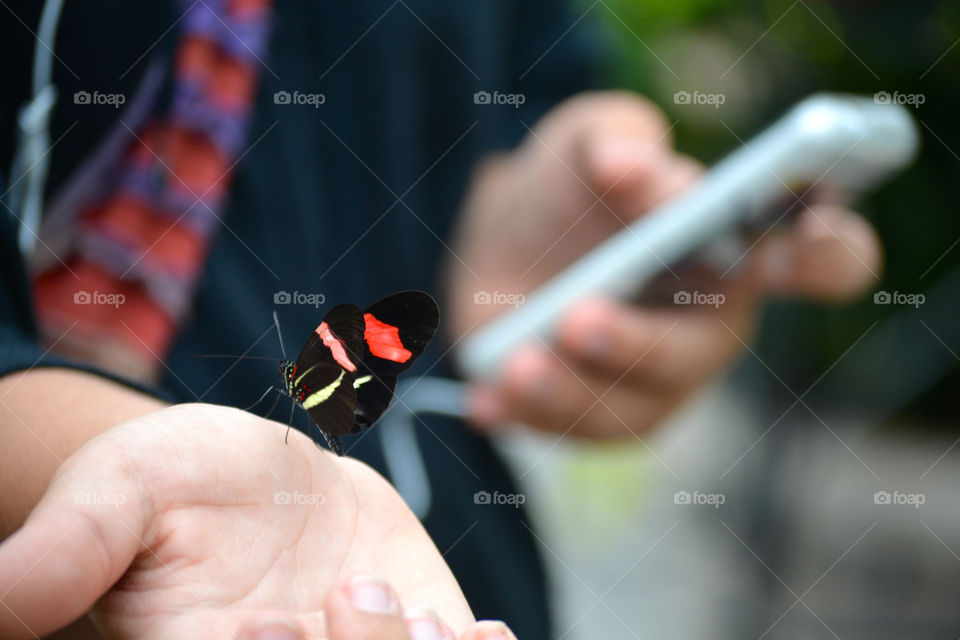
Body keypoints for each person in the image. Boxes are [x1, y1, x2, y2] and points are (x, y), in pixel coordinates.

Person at [0, 1, 881, 638]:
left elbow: (503, 90)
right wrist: (75, 451)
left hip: (451, 574)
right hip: (218, 580)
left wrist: (515, 227)